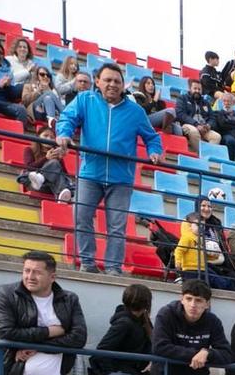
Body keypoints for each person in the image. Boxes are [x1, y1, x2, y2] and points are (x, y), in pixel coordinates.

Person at [55, 63, 162, 274]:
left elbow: (152, 137)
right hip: (90, 173)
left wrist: (154, 151)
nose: (112, 84)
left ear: (123, 85)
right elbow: (67, 117)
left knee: (116, 227)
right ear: (98, 82)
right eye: (108, 80)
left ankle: (113, 268)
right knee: (81, 215)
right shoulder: (86, 100)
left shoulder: (135, 111)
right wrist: (64, 132)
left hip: (121, 178)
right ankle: (87, 263)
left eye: (117, 81)